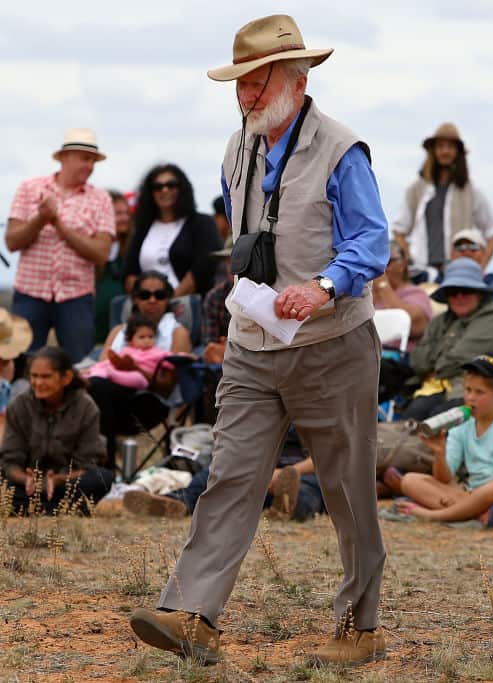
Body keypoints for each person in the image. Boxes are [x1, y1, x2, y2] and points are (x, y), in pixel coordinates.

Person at [128, 15, 390, 667]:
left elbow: (372, 241)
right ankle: (193, 614)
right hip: (253, 343)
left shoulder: (342, 150)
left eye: (257, 78)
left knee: (347, 488)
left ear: (297, 80)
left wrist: (324, 284)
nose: (244, 93)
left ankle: (361, 627)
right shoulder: (235, 147)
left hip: (333, 342)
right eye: (238, 81)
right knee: (230, 475)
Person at [6, 128, 115, 363]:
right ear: (65, 157)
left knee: (79, 366)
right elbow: (12, 241)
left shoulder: (101, 199)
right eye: (85, 159)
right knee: (20, 362)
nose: (90, 166)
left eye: (93, 160)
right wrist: (39, 219)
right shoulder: (29, 188)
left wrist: (58, 224)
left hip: (76, 296)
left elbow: (101, 254)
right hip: (30, 292)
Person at [395, 355, 493, 523]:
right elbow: (444, 478)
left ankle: (439, 513)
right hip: (472, 494)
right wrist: (439, 453)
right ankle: (474, 513)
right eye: (468, 390)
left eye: (479, 392)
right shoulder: (462, 421)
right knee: (410, 480)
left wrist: (472, 496)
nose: (470, 397)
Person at [89, 271, 192, 466]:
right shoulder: (119, 332)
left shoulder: (177, 333)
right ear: (135, 299)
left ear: (168, 299)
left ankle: (105, 467)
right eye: (145, 295)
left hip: (148, 404)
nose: (152, 300)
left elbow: (168, 388)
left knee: (96, 389)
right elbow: (101, 368)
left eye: (159, 295)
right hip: (109, 400)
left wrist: (136, 369)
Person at [124, 429, 324, 522]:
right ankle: (174, 503)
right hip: (255, 470)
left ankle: (284, 508)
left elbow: (327, 455)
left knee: (307, 491)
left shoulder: (314, 408)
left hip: (299, 473)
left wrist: (290, 472)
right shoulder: (263, 404)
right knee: (211, 474)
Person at [0, 347, 110, 514]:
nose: (38, 383)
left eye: (46, 376)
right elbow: (10, 460)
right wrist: (27, 479)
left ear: (66, 378)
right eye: (34, 376)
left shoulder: (85, 407)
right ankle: (56, 509)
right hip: (26, 485)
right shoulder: (19, 405)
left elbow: (89, 461)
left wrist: (57, 480)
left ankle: (36, 509)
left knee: (102, 478)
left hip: (64, 484)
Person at [405, 258, 493, 421]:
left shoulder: (492, 319)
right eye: (453, 291)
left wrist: (432, 369)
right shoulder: (440, 320)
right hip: (437, 388)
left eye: (466, 291)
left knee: (437, 421)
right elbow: (417, 362)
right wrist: (430, 368)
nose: (459, 296)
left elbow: (458, 359)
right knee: (411, 419)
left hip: (479, 392)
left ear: (478, 293)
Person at [391, 122, 493, 278]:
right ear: (433, 151)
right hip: (422, 272)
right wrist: (408, 259)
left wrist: (480, 267)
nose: (445, 151)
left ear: (458, 152)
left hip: (458, 273)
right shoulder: (416, 190)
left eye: (450, 147)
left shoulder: (471, 192)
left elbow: (492, 233)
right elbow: (399, 230)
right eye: (441, 146)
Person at [123, 163, 223, 297]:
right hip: (147, 310)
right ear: (150, 193)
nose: (164, 190)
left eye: (171, 185)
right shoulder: (143, 227)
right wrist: (146, 301)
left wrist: (169, 301)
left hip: (189, 306)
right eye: (157, 187)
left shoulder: (201, 223)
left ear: (182, 188)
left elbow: (203, 267)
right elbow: (130, 270)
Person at [84, 315, 174, 390]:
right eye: (142, 337)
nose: (147, 340)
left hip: (141, 378)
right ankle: (89, 376)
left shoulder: (158, 352)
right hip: (121, 375)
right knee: (103, 370)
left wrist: (183, 357)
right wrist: (92, 369)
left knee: (137, 379)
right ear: (130, 340)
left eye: (151, 337)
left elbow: (170, 359)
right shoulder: (127, 350)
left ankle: (111, 374)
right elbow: (108, 362)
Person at [372, 240, 433, 348]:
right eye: (375, 262)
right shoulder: (365, 295)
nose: (380, 268)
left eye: (387, 262)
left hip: (397, 360)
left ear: (403, 264)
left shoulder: (416, 293)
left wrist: (382, 285)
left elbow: (414, 324)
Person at [94, 189, 134, 344]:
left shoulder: (132, 248)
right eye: (117, 214)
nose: (124, 219)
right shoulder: (91, 248)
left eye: (126, 213)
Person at [447, 228, 493, 306]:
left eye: (473, 247)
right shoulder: (437, 284)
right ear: (451, 255)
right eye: (460, 247)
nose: (467, 252)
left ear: (484, 253)